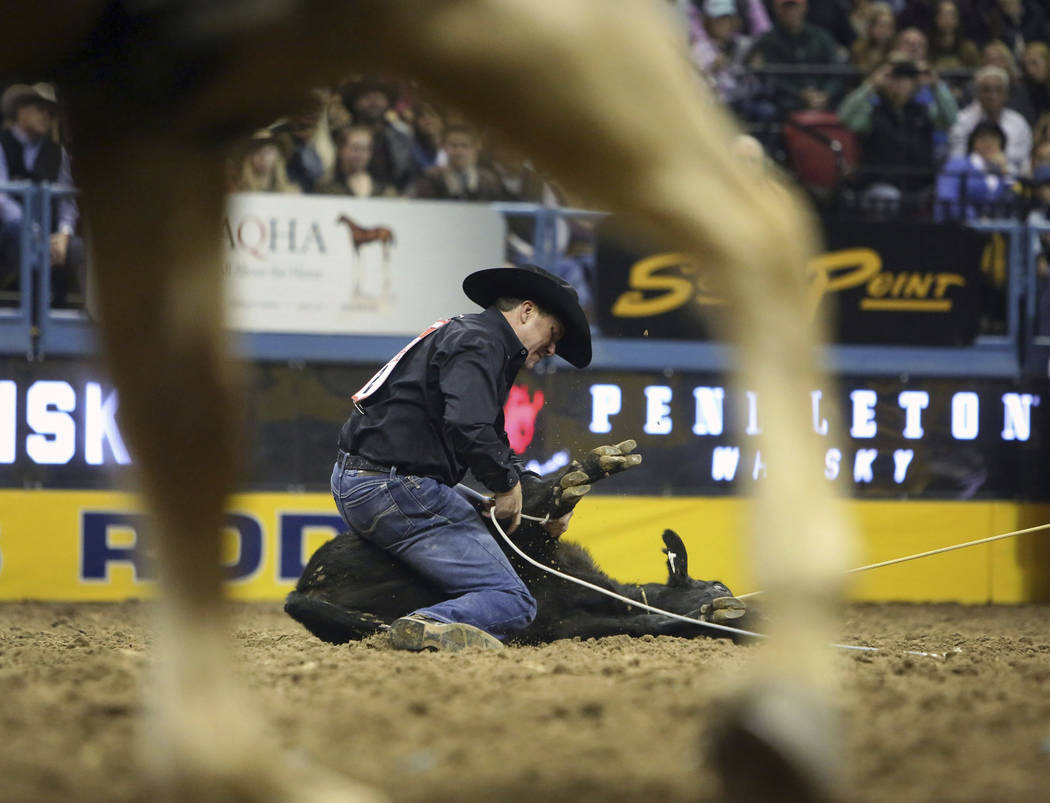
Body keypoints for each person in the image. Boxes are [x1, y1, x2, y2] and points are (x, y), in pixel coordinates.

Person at [331, 264, 590, 651]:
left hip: (366, 480)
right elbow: (469, 427)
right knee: (513, 601)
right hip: (394, 486)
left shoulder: (470, 335)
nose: (553, 349)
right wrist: (505, 485)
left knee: (487, 519)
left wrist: (531, 489)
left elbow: (487, 434)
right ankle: (427, 623)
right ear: (527, 311)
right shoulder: (481, 343)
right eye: (554, 334)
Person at [0, 82, 86, 307]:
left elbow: (67, 201)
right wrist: (34, 231)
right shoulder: (2, 144)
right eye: (41, 109)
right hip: (10, 232)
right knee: (18, 239)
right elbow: (1, 197)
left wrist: (64, 233)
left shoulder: (58, 154)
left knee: (74, 249)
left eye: (50, 112)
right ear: (21, 111)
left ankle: (61, 313)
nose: (47, 116)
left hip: (49, 237)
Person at [838, 53, 958, 213]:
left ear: (914, 83)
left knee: (943, 196)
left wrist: (936, 85)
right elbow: (844, 118)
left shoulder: (923, 112)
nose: (900, 83)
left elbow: (950, 118)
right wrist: (870, 85)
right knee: (890, 197)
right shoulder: (872, 113)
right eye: (893, 77)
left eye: (906, 78)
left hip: (920, 185)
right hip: (880, 185)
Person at [747, 0, 844, 114]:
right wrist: (799, 94)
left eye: (795, 7)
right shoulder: (768, 41)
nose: (791, 12)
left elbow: (837, 72)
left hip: (825, 99)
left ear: (804, 7)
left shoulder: (822, 37)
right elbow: (772, 78)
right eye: (786, 8)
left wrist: (826, 94)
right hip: (786, 102)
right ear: (777, 10)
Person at [949, 65, 1033, 176]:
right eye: (986, 90)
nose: (992, 95)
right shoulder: (962, 120)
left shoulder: (1018, 123)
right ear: (977, 93)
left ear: (1006, 94)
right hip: (971, 179)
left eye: (998, 90)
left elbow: (1023, 162)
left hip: (1010, 179)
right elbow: (956, 158)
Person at [341, 75, 417, 192]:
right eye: (366, 97)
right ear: (354, 102)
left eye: (379, 97)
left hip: (393, 198)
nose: (374, 102)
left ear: (388, 102)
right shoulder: (342, 134)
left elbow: (409, 174)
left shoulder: (401, 136)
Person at [936, 119, 1020, 220]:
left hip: (998, 229)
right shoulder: (957, 164)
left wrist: (1005, 171)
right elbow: (948, 198)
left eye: (994, 138)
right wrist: (975, 220)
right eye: (983, 138)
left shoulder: (1005, 172)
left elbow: (1014, 201)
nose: (988, 143)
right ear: (973, 142)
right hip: (961, 227)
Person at [408, 124, 504, 200]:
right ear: (444, 147)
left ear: (475, 149)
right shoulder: (430, 177)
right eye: (454, 146)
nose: (459, 152)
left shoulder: (488, 180)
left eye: (465, 146)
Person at [315, 125, 397, 197]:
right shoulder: (326, 189)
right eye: (355, 148)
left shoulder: (385, 190)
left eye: (365, 149)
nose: (360, 154)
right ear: (341, 150)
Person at [926, 0, 980, 71]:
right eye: (944, 15)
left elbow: (976, 71)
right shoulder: (927, 46)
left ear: (957, 20)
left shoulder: (968, 49)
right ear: (937, 19)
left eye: (951, 15)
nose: (947, 19)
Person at [849, 1, 896, 73]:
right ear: (871, 27)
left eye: (888, 26)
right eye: (880, 26)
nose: (883, 30)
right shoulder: (858, 48)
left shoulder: (895, 50)